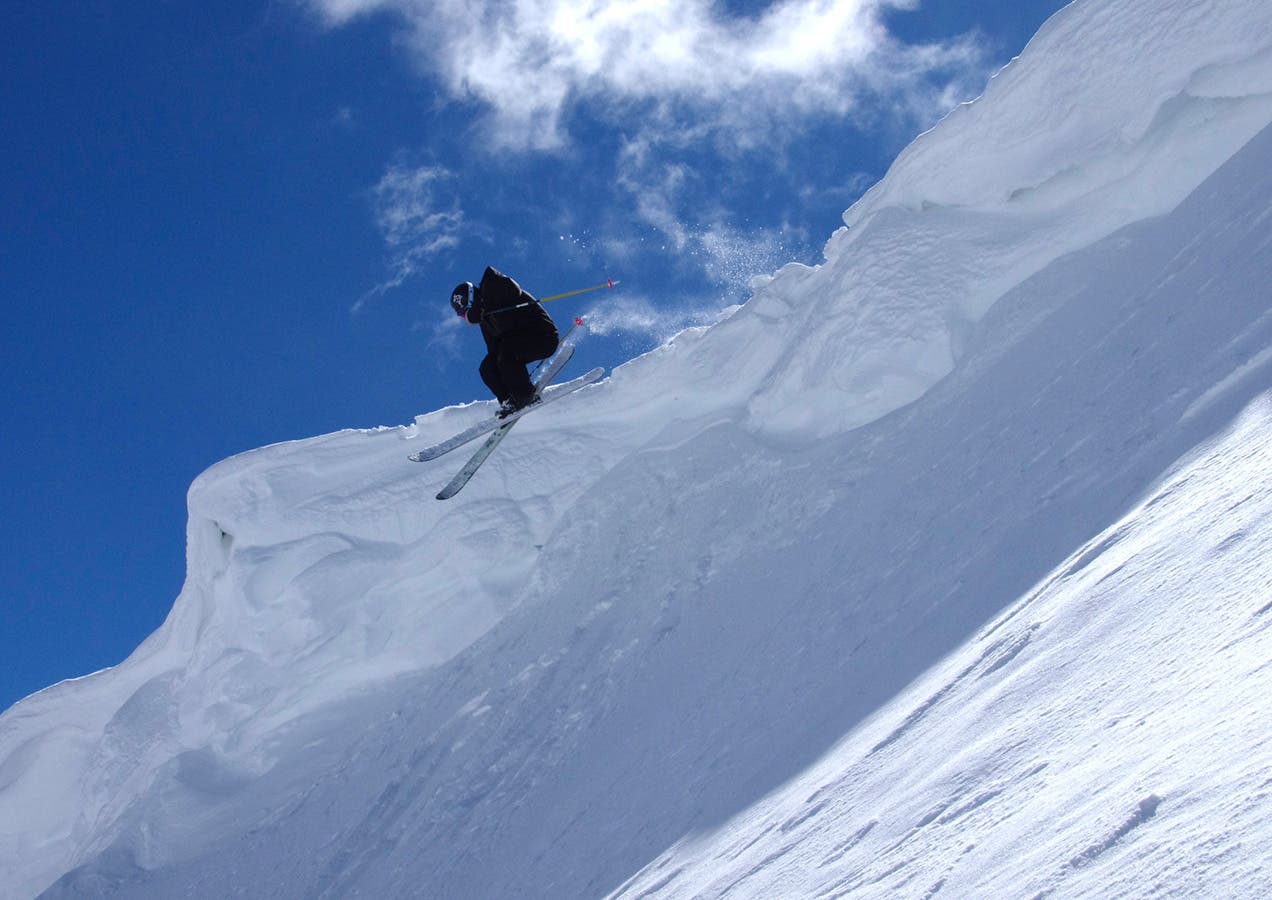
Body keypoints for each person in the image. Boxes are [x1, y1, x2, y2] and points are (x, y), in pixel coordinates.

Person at [451, 266, 560, 417]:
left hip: (543, 336)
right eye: (463, 317)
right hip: (517, 345)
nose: (467, 319)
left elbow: (512, 290)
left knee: (507, 351)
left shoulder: (495, 286)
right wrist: (505, 376)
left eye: (465, 313)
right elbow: (494, 351)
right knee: (487, 367)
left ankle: (524, 395)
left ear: (472, 301)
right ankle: (508, 401)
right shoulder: (485, 321)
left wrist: (485, 305)